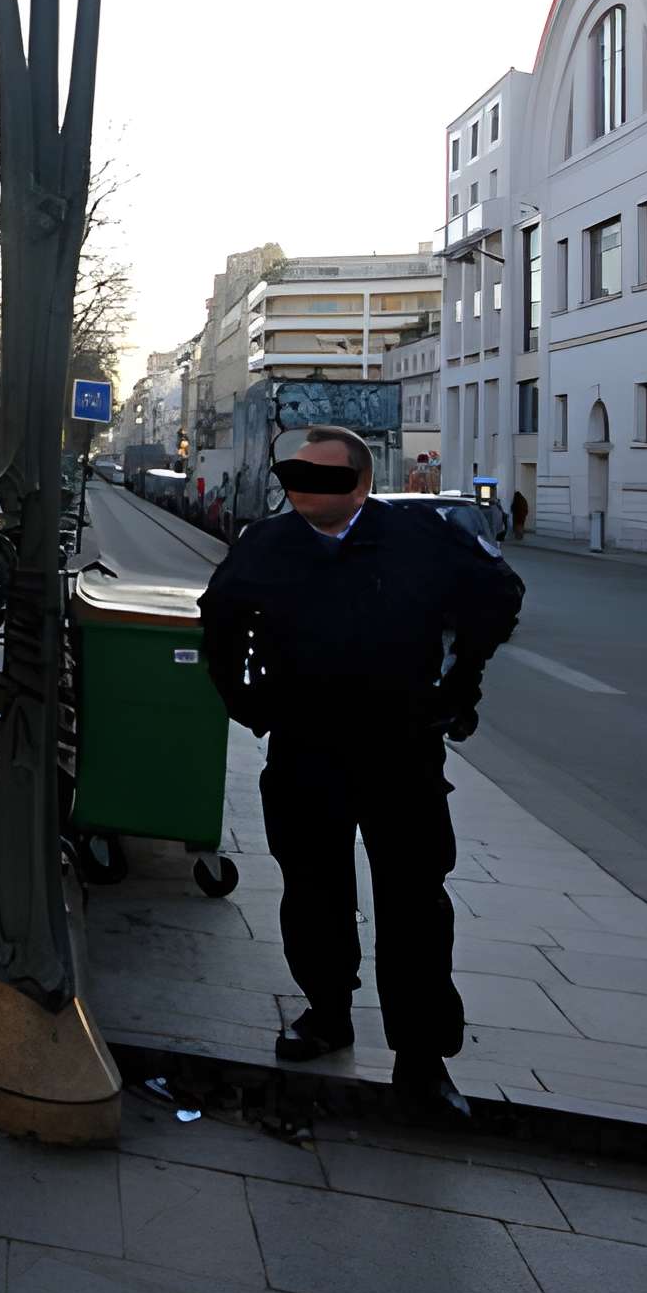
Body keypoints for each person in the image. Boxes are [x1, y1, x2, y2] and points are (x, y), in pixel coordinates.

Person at [197, 424, 523, 1120]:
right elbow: (217, 617)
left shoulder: (419, 537)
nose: (303, 487)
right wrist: (246, 701)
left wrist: (460, 684)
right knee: (312, 886)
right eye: (297, 475)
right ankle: (326, 1011)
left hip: (399, 750)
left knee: (413, 900)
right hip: (305, 746)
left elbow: (498, 595)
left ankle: (423, 1058)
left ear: (361, 485)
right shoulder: (267, 544)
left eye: (323, 477)